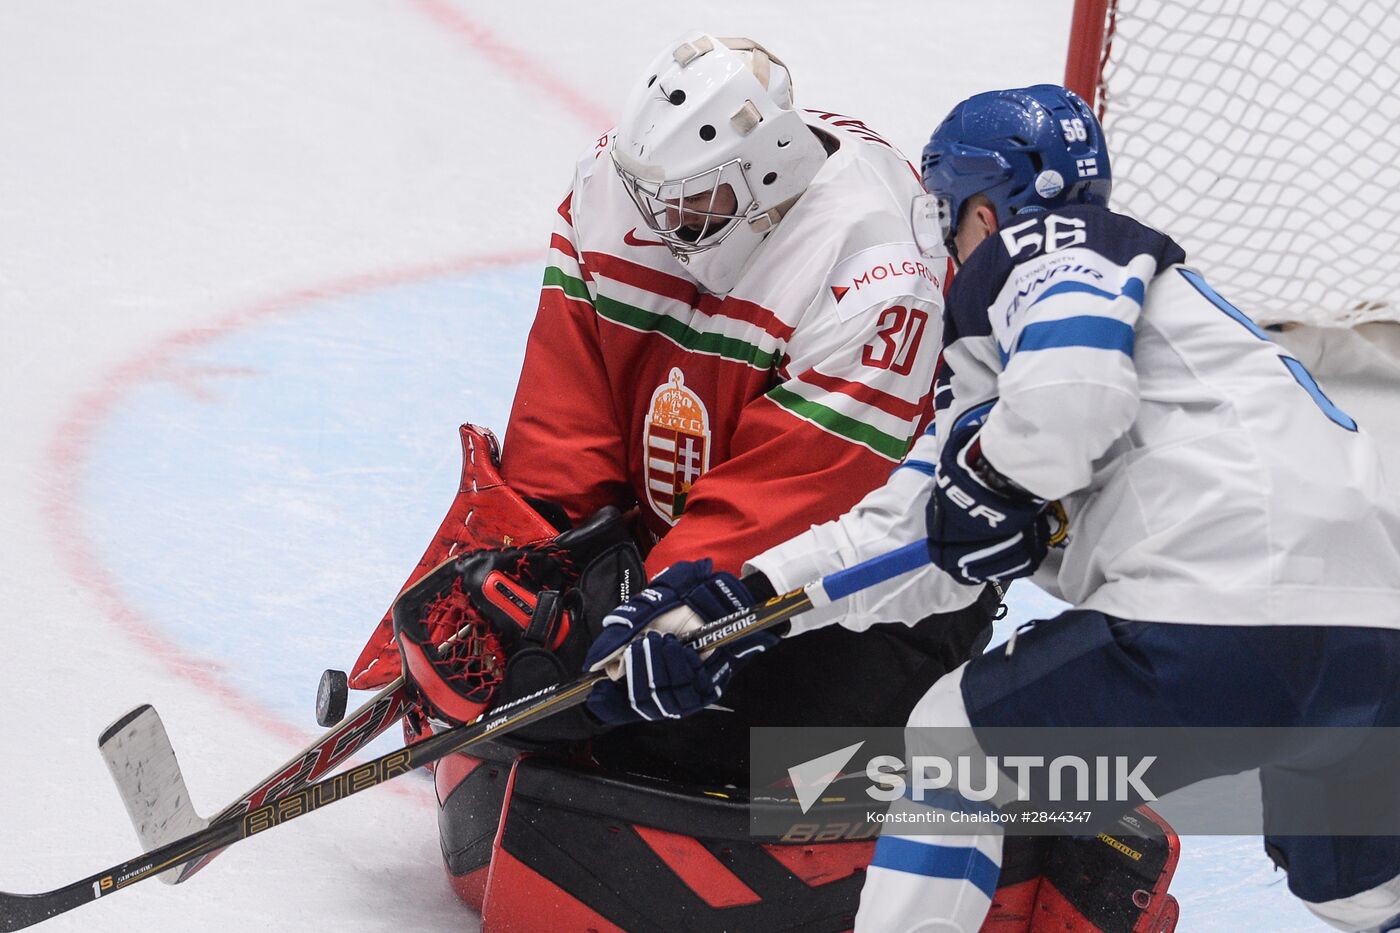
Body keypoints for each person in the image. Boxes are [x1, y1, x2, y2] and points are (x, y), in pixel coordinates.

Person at [585, 84, 1400, 932]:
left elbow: (1070, 400)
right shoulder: (1185, 334)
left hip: (1212, 619)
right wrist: (745, 604)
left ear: (980, 205)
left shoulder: (1041, 249)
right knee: (1357, 892)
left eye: (946, 215)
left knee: (952, 744)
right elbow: (914, 535)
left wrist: (995, 482)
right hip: (1377, 646)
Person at [377, 32, 998, 927]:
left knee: (696, 748)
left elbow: (792, 504)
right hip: (672, 537)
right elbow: (566, 415)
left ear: (769, 178)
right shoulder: (617, 190)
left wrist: (659, 618)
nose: (662, 227)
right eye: (650, 199)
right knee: (522, 654)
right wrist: (551, 561)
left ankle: (963, 793)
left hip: (854, 589)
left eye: (696, 205)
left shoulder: (877, 273)